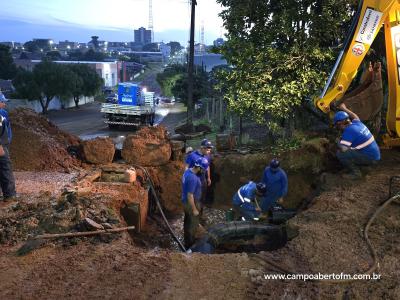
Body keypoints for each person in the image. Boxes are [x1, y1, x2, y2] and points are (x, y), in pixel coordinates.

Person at [333, 103, 380, 179]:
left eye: (337, 126)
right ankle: (363, 167)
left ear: (339, 123)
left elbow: (343, 149)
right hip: (375, 155)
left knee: (340, 154)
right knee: (351, 149)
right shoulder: (357, 123)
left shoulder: (348, 132)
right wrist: (344, 108)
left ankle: (355, 173)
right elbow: (354, 115)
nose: (338, 128)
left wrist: (337, 141)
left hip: (371, 158)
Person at [181, 157, 209, 249]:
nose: (204, 172)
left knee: (187, 221)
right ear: (199, 167)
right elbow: (190, 195)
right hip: (191, 203)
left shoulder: (188, 171)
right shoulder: (193, 178)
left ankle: (187, 240)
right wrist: (194, 209)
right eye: (203, 169)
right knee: (191, 225)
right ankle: (190, 245)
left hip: (185, 201)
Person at [185, 139, 213, 208]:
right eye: (207, 149)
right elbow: (186, 167)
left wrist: (208, 178)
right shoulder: (192, 155)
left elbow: (207, 167)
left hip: (203, 180)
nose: (209, 151)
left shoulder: (207, 156)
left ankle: (201, 212)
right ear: (202, 148)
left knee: (203, 197)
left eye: (210, 149)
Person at [0, 93, 16, 202]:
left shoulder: (3, 113)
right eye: (2, 101)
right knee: (5, 169)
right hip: (1, 146)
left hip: (3, 144)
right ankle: (10, 195)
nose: (4, 104)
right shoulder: (1, 114)